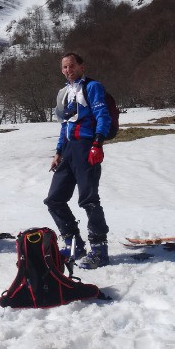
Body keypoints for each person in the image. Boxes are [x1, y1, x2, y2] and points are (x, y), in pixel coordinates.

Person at [44, 52, 112, 269]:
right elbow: (64, 125)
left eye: (72, 65)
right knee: (54, 199)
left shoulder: (92, 87)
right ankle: (74, 244)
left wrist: (97, 143)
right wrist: (58, 152)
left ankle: (100, 251)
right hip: (68, 149)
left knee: (89, 200)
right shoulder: (65, 93)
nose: (68, 70)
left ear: (82, 66)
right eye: (64, 67)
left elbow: (102, 116)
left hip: (86, 146)